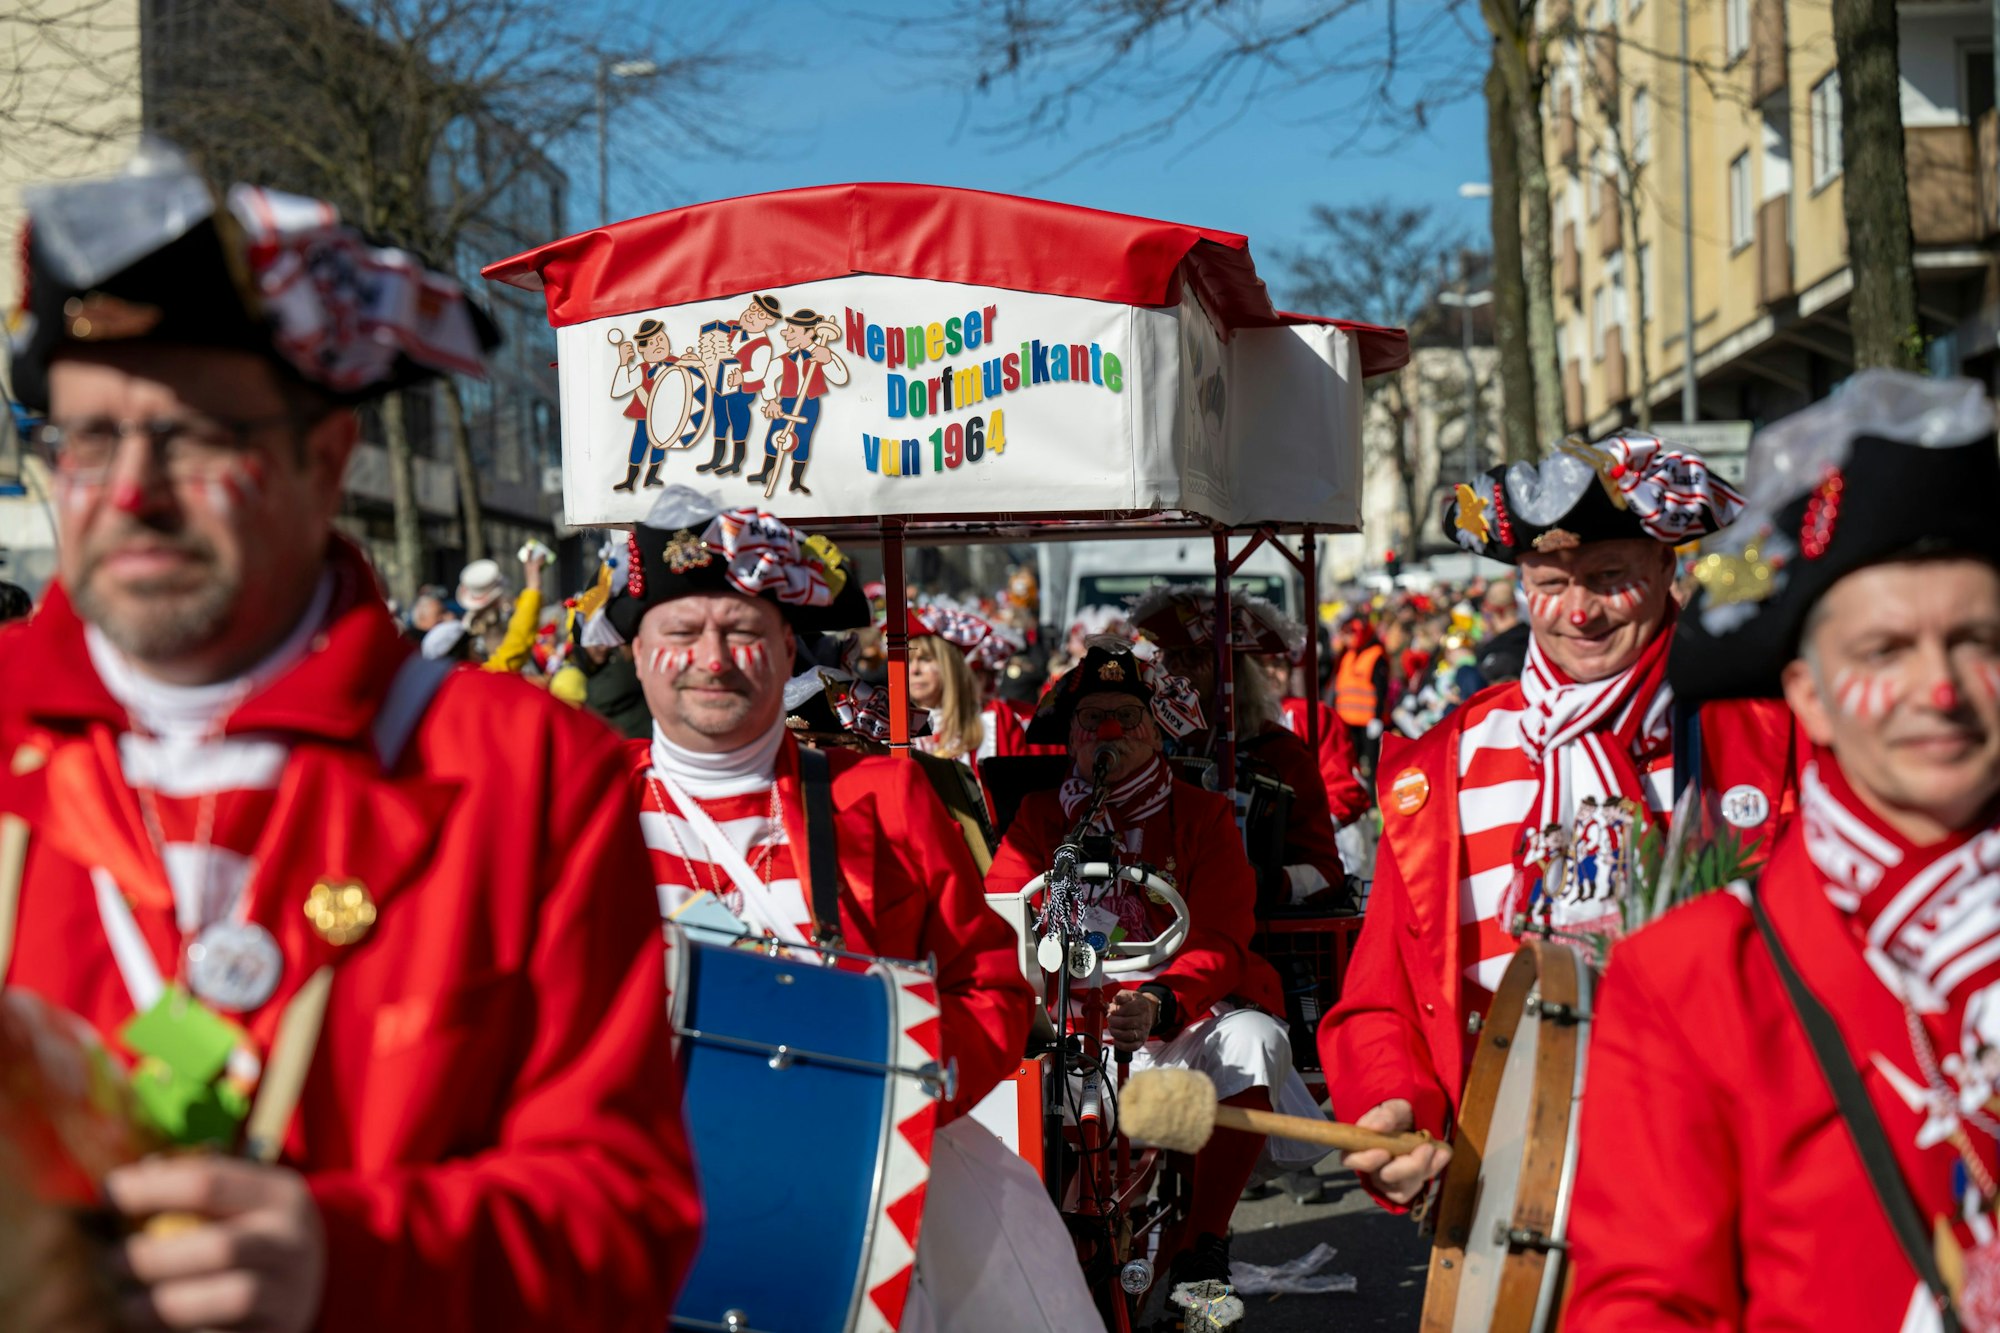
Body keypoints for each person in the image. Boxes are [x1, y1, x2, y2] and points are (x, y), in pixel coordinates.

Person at [0, 150, 698, 1331]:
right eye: (88, 439)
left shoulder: (523, 776)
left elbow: (625, 1225)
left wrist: (351, 1260)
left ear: (324, 457)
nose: (129, 493)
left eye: (192, 435)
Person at [1567, 373, 2000, 1329]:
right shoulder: (1697, 981)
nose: (1942, 690)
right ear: (1807, 694)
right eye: (1885, 651)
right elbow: (1644, 1307)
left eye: (1977, 640)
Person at [615, 489, 1099, 1331]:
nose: (714, 658)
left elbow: (991, 986)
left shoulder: (881, 795)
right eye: (682, 634)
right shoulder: (576, 809)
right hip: (642, 1193)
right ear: (636, 652)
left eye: (743, 632)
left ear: (786, 647)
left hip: (872, 1180)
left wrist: (907, 1081)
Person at [1320, 431, 1801, 1211]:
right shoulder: (1447, 764)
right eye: (1549, 581)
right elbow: (1384, 997)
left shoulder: (1763, 735)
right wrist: (1391, 1103)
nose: (1578, 611)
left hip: (1735, 1176)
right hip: (1513, 1196)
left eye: (1610, 576)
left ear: (1665, 568)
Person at [990, 639, 1310, 1322]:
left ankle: (1204, 1244)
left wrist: (1164, 1000)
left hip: (1179, 1012)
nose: (1107, 734)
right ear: (1069, 733)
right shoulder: (1040, 818)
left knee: (1253, 1040)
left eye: (1126, 718)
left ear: (1155, 728)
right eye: (1092, 718)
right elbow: (1003, 919)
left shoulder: (1202, 813)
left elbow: (1225, 936)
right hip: (1066, 1022)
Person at [1132, 586, 1347, 908]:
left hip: (1254, 926)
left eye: (1193, 657)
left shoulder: (1280, 755)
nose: (1175, 670)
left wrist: (1267, 882)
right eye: (1169, 657)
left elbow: (1326, 872)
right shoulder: (1143, 747)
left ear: (1230, 672)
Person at [1332, 610, 1391, 781]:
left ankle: (1373, 800)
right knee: (1352, 762)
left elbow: (1381, 689)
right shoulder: (1348, 654)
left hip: (1368, 721)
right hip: (1348, 721)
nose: (1347, 638)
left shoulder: (1375, 654)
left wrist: (1377, 717)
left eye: (1350, 634)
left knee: (1372, 764)